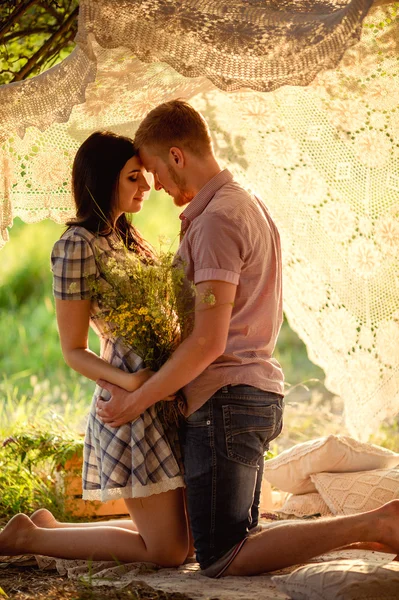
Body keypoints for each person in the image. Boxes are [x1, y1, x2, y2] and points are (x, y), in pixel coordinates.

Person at [94, 100, 399, 576]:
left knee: (221, 556)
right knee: (235, 539)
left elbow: (209, 342)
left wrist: (139, 400)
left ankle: (375, 523)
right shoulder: (242, 201)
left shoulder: (217, 220)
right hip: (243, 396)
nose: (153, 185)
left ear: (177, 156)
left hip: (226, 401)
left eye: (153, 170)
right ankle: (368, 527)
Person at [0, 131, 189, 567]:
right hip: (128, 398)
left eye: (143, 176)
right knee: (168, 553)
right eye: (133, 178)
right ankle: (28, 539)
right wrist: (130, 383)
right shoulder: (75, 245)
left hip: (159, 393)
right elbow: (73, 350)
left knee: (185, 542)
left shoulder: (127, 236)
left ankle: (49, 529)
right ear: (103, 180)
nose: (146, 187)